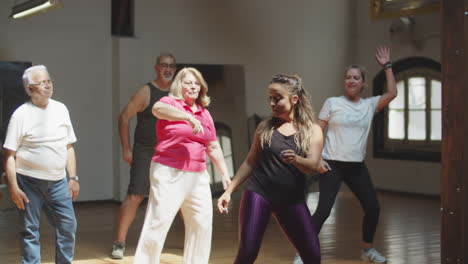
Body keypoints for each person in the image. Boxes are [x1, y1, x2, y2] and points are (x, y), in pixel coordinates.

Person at [294, 46, 397, 264]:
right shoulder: (333, 103)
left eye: (356, 78)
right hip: (331, 165)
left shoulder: (369, 105)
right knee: (323, 211)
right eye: (348, 77)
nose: (351, 81)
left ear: (363, 83)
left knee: (373, 207)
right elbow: (316, 132)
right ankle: (303, 253)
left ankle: (368, 250)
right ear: (345, 81)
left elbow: (392, 93)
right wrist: (317, 159)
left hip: (356, 167)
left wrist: (387, 66)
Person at [217, 74, 323, 264]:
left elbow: (313, 165)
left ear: (294, 99)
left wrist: (296, 159)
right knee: (247, 252)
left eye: (277, 98)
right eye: (270, 98)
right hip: (259, 194)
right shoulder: (264, 127)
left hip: (292, 199)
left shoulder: (312, 130)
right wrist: (229, 191)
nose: (272, 103)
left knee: (313, 257)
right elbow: (250, 162)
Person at [133, 67, 231, 264]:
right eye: (188, 82)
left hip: (198, 175)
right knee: (158, 222)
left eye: (196, 83)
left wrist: (225, 174)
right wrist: (187, 117)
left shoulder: (205, 113)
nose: (193, 86)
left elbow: (212, 145)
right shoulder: (169, 103)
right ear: (179, 85)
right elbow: (156, 110)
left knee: (202, 224)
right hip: (168, 171)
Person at [3, 65, 79, 264]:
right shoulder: (20, 115)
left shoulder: (61, 109)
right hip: (29, 182)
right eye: (42, 83)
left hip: (59, 181)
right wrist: (13, 187)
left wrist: (72, 178)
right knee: (30, 230)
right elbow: (9, 155)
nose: (47, 86)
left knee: (67, 226)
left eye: (49, 81)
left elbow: (68, 146)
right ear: (29, 89)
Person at [111, 53, 177, 259]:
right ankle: (119, 243)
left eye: (171, 66)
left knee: (173, 198)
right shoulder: (146, 91)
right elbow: (123, 118)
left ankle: (159, 243)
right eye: (164, 65)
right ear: (156, 68)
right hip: (145, 151)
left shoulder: (178, 94)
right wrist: (126, 149)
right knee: (135, 196)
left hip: (169, 154)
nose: (168, 69)